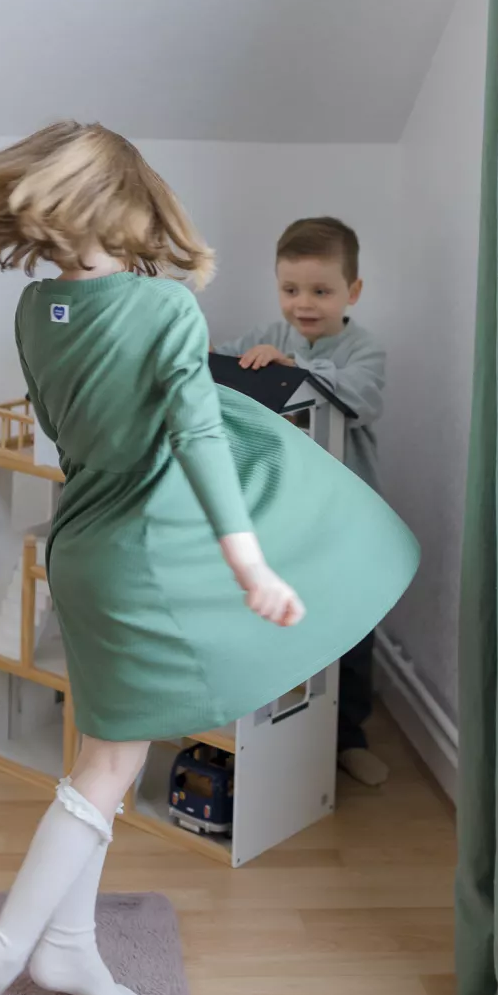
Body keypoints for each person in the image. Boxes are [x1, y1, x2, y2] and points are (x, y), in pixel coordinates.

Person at [0, 125, 418, 995]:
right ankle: (5, 944)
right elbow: (195, 439)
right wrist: (250, 560)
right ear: (129, 203)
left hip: (79, 545)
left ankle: (69, 950)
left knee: (100, 749)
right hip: (136, 556)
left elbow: (87, 421)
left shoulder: (36, 311)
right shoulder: (165, 309)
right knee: (110, 763)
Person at [214, 217, 389, 786]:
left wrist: (296, 370)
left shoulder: (364, 351)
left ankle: (349, 735)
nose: (304, 304)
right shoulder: (267, 335)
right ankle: (269, 728)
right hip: (282, 513)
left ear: (351, 292)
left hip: (344, 518)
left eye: (321, 291)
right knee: (277, 617)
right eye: (291, 290)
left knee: (350, 623)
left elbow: (357, 398)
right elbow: (220, 367)